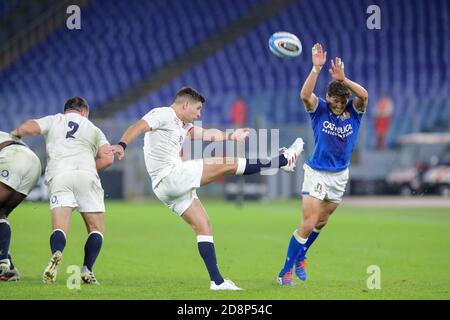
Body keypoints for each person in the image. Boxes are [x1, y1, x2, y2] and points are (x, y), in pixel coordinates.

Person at [112, 87, 304, 290]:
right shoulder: (163, 114)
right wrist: (122, 145)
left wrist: (232, 136)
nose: (199, 114)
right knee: (227, 164)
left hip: (164, 187)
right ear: (185, 105)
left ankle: (217, 282)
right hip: (171, 176)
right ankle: (282, 161)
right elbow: (139, 126)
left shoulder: (183, 125)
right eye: (197, 108)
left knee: (204, 226)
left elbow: (207, 134)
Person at [277, 43, 369, 285]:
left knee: (321, 222)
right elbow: (304, 95)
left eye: (342, 100)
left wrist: (345, 79)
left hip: (340, 175)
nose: (338, 104)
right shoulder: (319, 110)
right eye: (334, 100)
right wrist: (316, 68)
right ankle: (284, 272)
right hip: (316, 172)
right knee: (307, 223)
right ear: (327, 97)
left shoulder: (355, 111)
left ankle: (302, 257)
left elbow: (365, 95)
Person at [11, 96, 114, 285]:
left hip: (60, 176)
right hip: (86, 175)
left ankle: (57, 253)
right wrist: (89, 167)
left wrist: (15, 133)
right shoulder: (93, 128)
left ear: (67, 110)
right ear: (84, 111)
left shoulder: (55, 120)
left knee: (59, 227)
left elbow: (29, 128)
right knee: (96, 228)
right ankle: (87, 270)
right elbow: (108, 158)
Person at [0, 132, 41, 281]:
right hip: (33, 163)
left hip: (13, 156)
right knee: (1, 213)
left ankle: (3, 261)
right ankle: (8, 268)